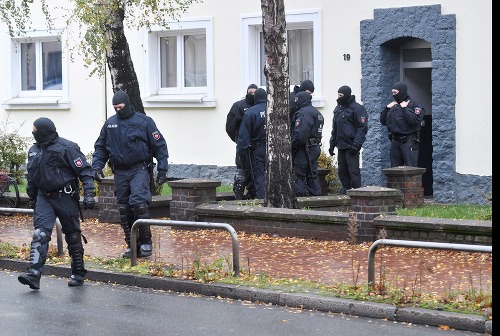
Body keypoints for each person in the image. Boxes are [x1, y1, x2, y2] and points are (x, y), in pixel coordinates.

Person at [18, 117, 96, 289]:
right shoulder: (33, 150)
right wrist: (33, 197)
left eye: (35, 130)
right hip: (44, 197)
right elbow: (32, 176)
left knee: (73, 236)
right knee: (40, 234)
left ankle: (78, 272)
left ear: (44, 131)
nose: (33, 133)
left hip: (65, 196)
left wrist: (89, 193)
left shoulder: (67, 147)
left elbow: (85, 170)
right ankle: (34, 275)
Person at [92, 90, 169, 259]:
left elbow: (159, 146)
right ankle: (132, 244)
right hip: (120, 170)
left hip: (139, 168)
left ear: (127, 104)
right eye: (115, 108)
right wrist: (96, 167)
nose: (118, 111)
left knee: (138, 203)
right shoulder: (110, 124)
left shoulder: (144, 122)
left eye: (120, 107)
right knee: (123, 208)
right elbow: (101, 148)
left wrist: (162, 169)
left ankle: (146, 241)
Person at [328, 85, 368, 194]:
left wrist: (356, 145)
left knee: (353, 171)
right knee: (342, 171)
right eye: (338, 95)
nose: (339, 97)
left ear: (347, 95)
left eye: (341, 95)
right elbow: (335, 129)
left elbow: (362, 128)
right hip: (341, 145)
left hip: (351, 146)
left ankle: (356, 192)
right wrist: (332, 145)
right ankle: (345, 190)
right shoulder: (338, 109)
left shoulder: (357, 109)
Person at [225, 84, 258, 200]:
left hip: (257, 146)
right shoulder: (239, 106)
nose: (253, 95)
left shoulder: (261, 106)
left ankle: (253, 194)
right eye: (251, 93)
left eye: (255, 93)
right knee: (242, 170)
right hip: (243, 145)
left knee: (256, 171)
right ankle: (238, 194)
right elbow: (230, 127)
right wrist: (239, 140)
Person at [380, 81, 424, 167]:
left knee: (410, 169)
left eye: (395, 92)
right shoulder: (393, 106)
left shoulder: (413, 105)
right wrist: (386, 109)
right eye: (392, 92)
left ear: (402, 91)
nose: (393, 95)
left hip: (408, 141)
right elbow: (383, 121)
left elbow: (413, 121)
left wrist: (405, 108)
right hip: (395, 142)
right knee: (395, 171)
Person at [291, 91, 325, 197]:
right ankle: (316, 199)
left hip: (305, 149)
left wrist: (291, 146)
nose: (295, 104)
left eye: (297, 101)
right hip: (314, 147)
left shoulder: (303, 113)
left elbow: (300, 135)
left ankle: (299, 200)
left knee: (299, 175)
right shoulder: (316, 112)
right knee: (312, 174)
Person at [236, 87, 267, 199]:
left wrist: (242, 152)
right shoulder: (274, 110)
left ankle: (262, 199)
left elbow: (244, 135)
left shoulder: (250, 112)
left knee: (259, 175)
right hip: (273, 148)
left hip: (257, 149)